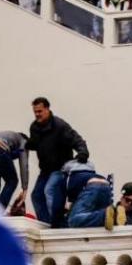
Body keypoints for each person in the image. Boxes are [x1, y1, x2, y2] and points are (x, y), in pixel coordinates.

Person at [26, 97, 89, 226]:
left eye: (40, 111)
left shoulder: (60, 126)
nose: (37, 114)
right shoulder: (34, 127)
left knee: (49, 190)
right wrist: (28, 143)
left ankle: (58, 224)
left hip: (60, 168)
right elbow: (36, 142)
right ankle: (46, 224)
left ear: (47, 109)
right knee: (36, 196)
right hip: (45, 170)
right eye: (35, 112)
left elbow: (76, 139)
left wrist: (83, 152)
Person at [63, 162, 114, 229]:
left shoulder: (70, 178)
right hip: (106, 185)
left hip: (92, 186)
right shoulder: (89, 173)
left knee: (73, 220)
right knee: (98, 219)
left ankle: (104, 215)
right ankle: (115, 215)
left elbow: (69, 204)